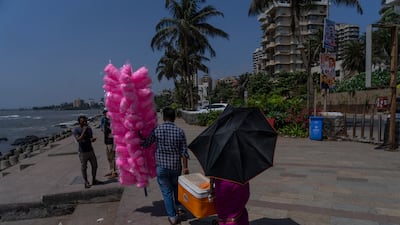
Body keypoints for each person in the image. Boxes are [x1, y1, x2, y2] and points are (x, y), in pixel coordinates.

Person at [141, 107, 190, 225]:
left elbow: (146, 144)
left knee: (166, 192)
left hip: (161, 167)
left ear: (163, 117)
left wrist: (139, 135)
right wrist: (185, 167)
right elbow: (184, 152)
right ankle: (179, 208)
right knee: (176, 188)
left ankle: (172, 217)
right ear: (174, 117)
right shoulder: (180, 131)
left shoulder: (157, 130)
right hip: (175, 166)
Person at [74, 115, 102, 189]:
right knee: (84, 167)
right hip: (82, 152)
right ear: (79, 122)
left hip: (90, 150)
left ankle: (94, 179)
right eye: (83, 121)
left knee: (95, 165)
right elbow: (78, 140)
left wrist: (92, 139)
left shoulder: (89, 129)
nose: (85, 122)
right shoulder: (76, 130)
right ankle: (86, 182)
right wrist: (83, 131)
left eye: (85, 121)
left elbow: (90, 138)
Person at [102, 110, 117, 178]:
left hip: (111, 142)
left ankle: (114, 172)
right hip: (107, 142)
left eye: (105, 113)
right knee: (109, 157)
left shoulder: (112, 121)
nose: (104, 114)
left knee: (112, 156)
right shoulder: (105, 121)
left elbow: (115, 132)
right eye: (104, 113)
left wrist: (110, 135)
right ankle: (111, 170)